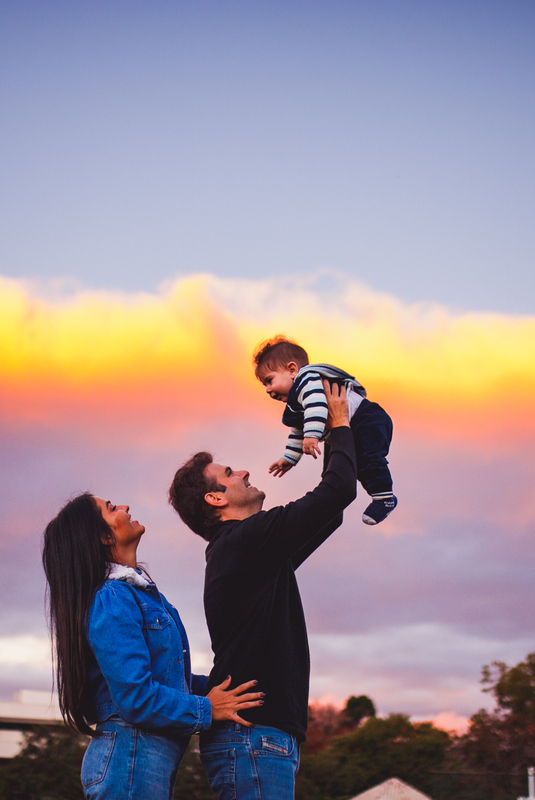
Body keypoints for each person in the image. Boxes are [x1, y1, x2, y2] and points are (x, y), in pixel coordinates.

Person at [167, 380, 357, 800]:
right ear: (216, 499)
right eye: (230, 474)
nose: (244, 472)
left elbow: (332, 510)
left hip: (259, 739)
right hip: (253, 739)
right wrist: (340, 422)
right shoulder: (244, 541)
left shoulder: (250, 550)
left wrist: (330, 434)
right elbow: (338, 490)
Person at [42, 493, 264, 800]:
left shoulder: (140, 596)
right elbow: (137, 698)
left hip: (139, 762)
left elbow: (170, 679)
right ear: (104, 538)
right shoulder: (113, 599)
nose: (125, 507)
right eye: (111, 508)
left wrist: (228, 685)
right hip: (129, 763)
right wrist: (209, 707)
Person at [253, 335, 397, 525]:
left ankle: (384, 497)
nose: (267, 389)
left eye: (269, 380)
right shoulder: (295, 403)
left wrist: (312, 436)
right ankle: (352, 499)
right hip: (351, 425)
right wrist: (290, 458)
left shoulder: (307, 379)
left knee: (368, 459)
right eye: (264, 385)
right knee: (354, 465)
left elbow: (317, 406)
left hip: (367, 418)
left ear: (292, 370)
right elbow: (298, 431)